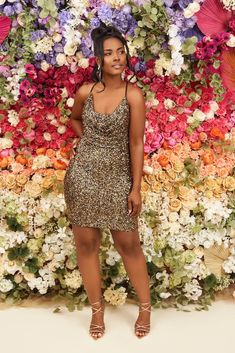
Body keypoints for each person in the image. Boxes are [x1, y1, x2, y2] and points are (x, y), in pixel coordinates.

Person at [63, 21, 151, 340]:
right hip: (82, 178)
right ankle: (97, 310)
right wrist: (89, 143)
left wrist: (136, 188)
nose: (117, 57)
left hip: (118, 179)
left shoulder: (134, 95)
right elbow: (73, 119)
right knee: (86, 245)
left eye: (121, 52)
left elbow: (137, 143)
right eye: (109, 53)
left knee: (128, 244)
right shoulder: (85, 91)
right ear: (98, 59)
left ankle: (144, 307)